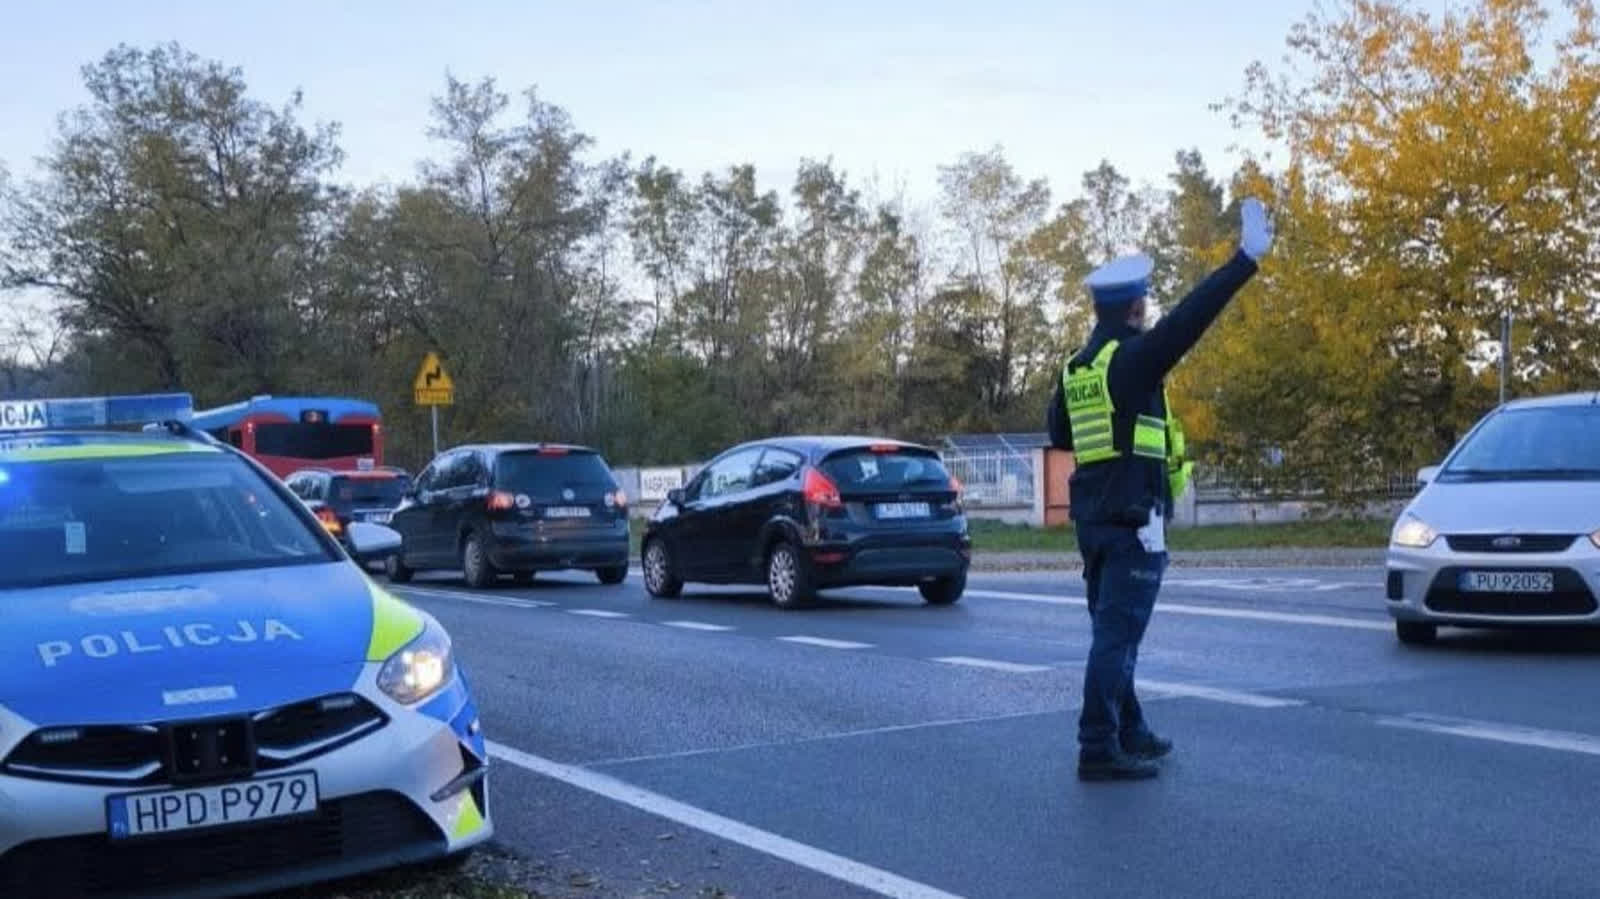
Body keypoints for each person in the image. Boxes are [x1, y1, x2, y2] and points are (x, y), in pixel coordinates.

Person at [1048, 197, 1274, 781]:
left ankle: (1130, 729)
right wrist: (1244, 260)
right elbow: (1190, 321)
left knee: (1112, 631)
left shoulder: (1079, 368)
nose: (1151, 310)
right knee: (1117, 639)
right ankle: (1097, 745)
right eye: (1146, 301)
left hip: (1094, 520)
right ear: (1135, 306)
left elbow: (1059, 433)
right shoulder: (1130, 361)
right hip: (1131, 520)